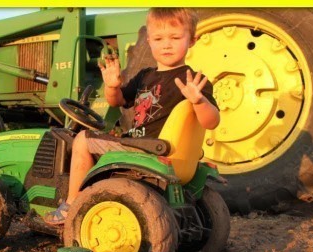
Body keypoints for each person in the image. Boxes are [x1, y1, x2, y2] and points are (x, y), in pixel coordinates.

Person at [44, 8, 220, 225]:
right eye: (158, 38)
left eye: (175, 37)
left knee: (82, 140)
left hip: (148, 148)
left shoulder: (193, 82)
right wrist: (112, 86)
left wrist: (199, 101)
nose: (166, 44)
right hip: (149, 146)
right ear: (149, 40)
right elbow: (116, 101)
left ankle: (72, 203)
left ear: (192, 40)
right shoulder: (145, 76)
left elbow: (211, 121)